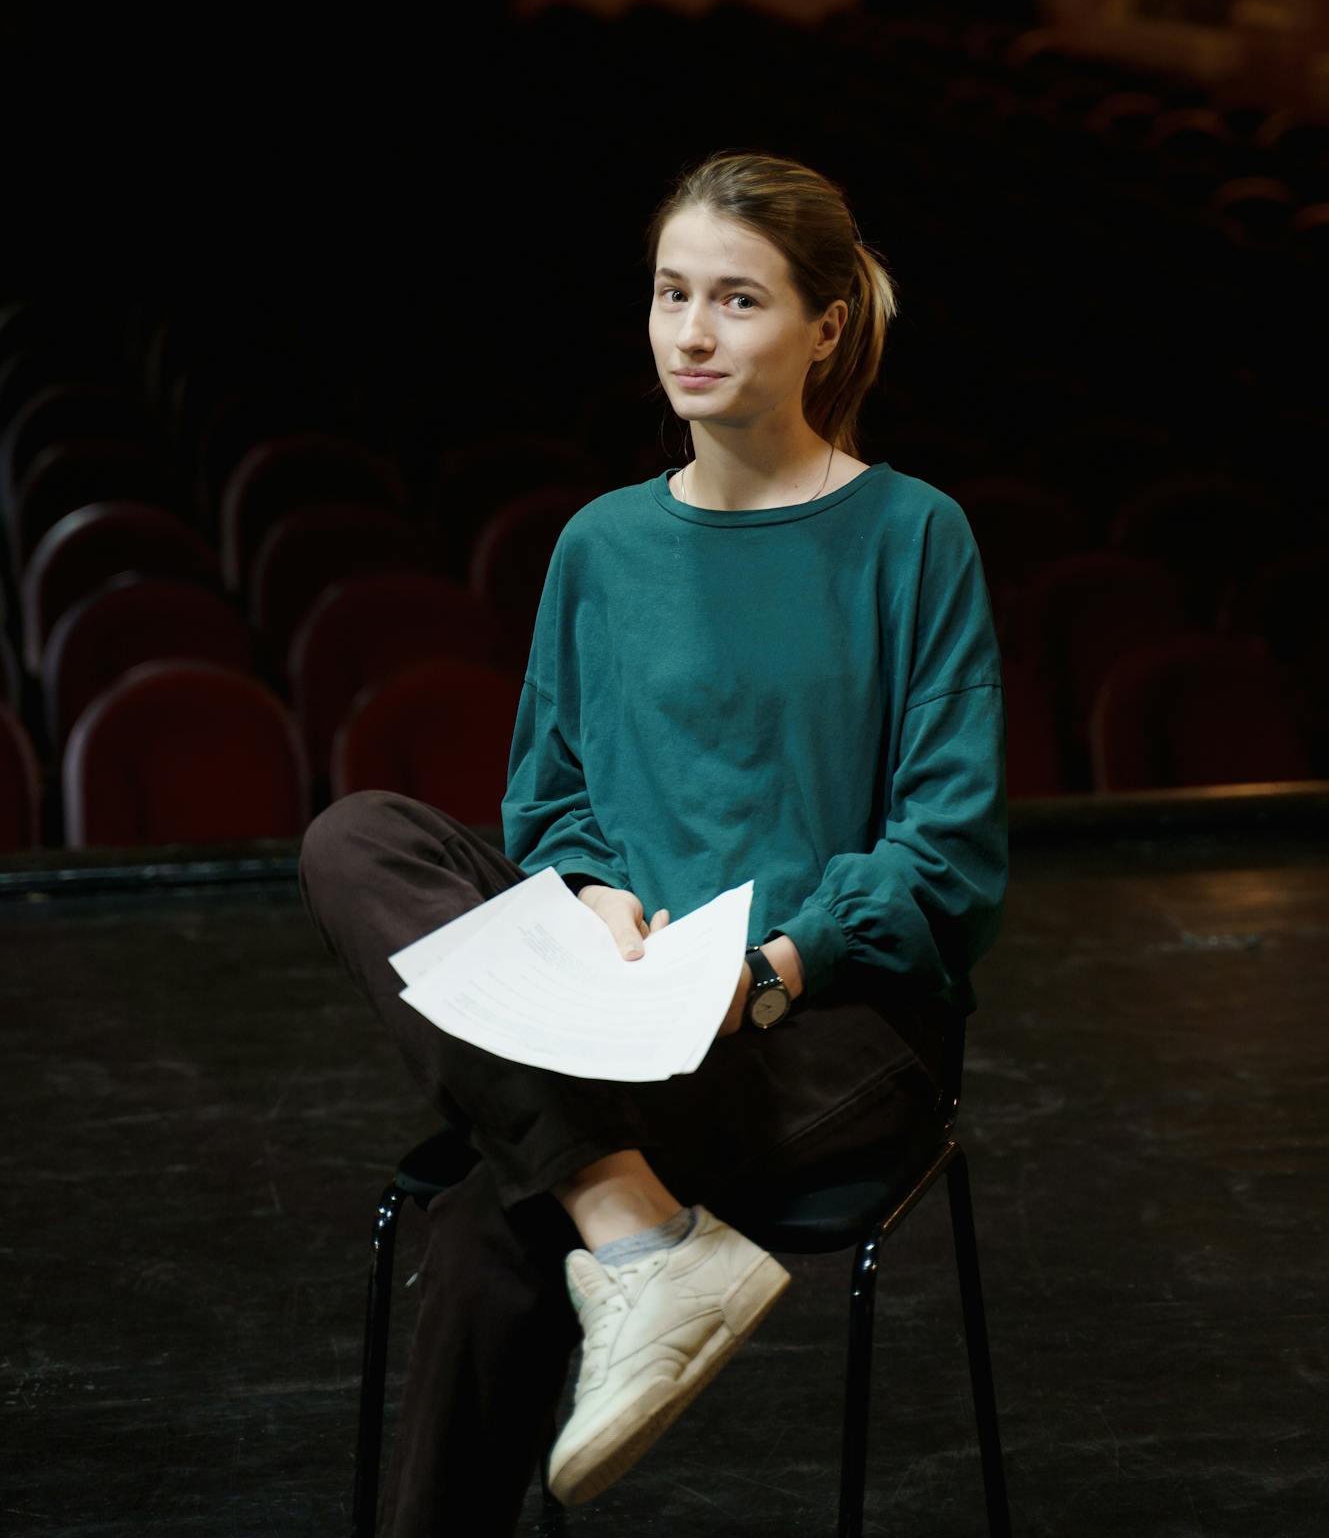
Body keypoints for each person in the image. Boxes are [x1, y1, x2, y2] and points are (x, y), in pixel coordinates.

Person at [298, 149, 1009, 1537]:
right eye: (670, 292)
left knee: (494, 1226)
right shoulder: (600, 545)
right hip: (618, 1007)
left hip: (834, 1016)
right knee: (356, 836)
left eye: (736, 300)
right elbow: (552, 804)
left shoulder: (913, 536)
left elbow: (947, 853)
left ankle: (617, 1220)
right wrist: (594, 897)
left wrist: (768, 970)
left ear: (823, 325)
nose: (690, 332)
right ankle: (638, 1230)